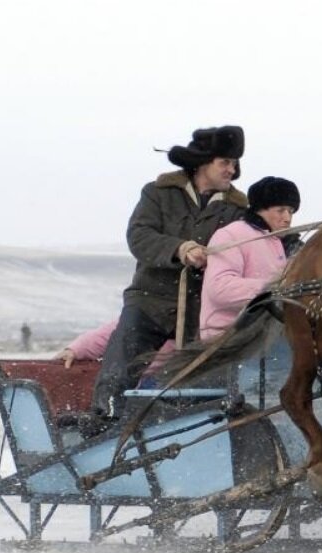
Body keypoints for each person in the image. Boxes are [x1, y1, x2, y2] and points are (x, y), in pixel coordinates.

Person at [90, 125, 248, 421]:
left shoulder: (238, 209)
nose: (232, 170)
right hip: (150, 300)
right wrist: (180, 248)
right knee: (124, 354)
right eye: (225, 162)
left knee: (202, 372)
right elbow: (138, 236)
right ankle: (103, 418)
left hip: (201, 308)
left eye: (235, 163)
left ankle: (187, 426)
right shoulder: (158, 194)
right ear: (203, 162)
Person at [199, 176, 302, 340]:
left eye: (290, 211)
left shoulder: (282, 244)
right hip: (226, 338)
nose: (287, 218)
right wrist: (276, 289)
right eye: (280, 210)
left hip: (265, 336)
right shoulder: (231, 235)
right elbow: (220, 288)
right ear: (260, 209)